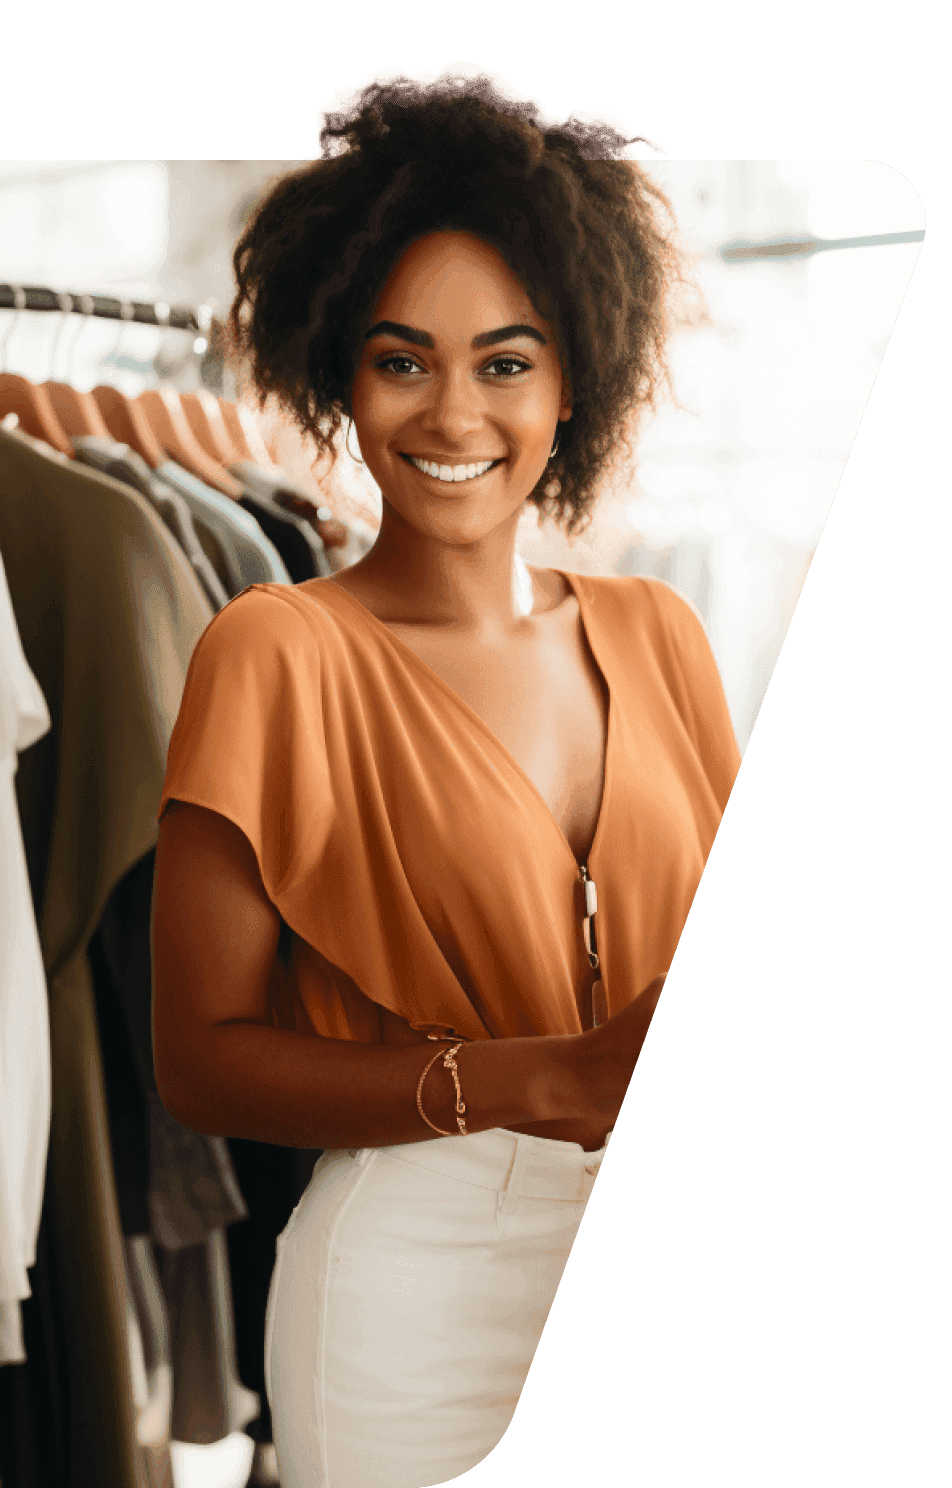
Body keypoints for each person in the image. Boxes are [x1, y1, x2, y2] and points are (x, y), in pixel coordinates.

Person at [152, 63, 740, 1488]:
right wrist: (549, 1076)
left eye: (507, 361)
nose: (452, 415)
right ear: (337, 371)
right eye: (401, 359)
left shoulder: (659, 635)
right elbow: (198, 1059)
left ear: (573, 376)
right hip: (409, 1288)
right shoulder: (274, 650)